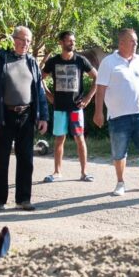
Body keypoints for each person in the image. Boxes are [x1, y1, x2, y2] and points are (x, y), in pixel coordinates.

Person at [0, 25, 49, 212]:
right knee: (0, 159)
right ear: (14, 39)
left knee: (26, 159)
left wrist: (43, 116)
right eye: (22, 39)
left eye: (28, 41)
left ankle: (23, 199)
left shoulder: (32, 62)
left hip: (26, 116)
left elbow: (39, 91)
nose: (25, 44)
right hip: (4, 116)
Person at [93, 28, 139, 196]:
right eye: (132, 41)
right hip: (118, 117)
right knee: (119, 152)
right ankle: (120, 182)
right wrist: (98, 112)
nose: (136, 44)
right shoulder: (108, 62)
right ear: (122, 43)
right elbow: (100, 89)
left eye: (137, 41)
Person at [41, 31, 97, 183]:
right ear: (61, 42)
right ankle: (57, 172)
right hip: (59, 108)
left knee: (79, 138)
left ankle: (84, 172)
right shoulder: (53, 62)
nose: (72, 43)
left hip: (75, 110)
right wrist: (48, 94)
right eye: (69, 41)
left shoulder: (80, 60)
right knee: (59, 139)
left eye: (73, 41)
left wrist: (87, 98)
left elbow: (97, 78)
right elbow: (40, 78)